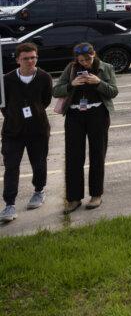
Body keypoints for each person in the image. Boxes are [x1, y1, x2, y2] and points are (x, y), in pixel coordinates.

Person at [53, 42, 119, 214]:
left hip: (98, 114)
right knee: (74, 156)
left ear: (94, 54)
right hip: (74, 116)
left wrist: (98, 82)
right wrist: (71, 84)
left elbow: (113, 91)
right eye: (81, 60)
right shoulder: (71, 68)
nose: (85, 63)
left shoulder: (106, 68)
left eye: (88, 59)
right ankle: (74, 198)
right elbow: (56, 91)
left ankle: (96, 195)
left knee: (97, 154)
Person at [1, 43, 52, 222]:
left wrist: (33, 112)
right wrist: (15, 116)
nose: (30, 61)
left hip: (38, 129)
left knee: (38, 163)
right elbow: (3, 104)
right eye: (25, 58)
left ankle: (39, 191)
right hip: (12, 131)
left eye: (33, 57)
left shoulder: (44, 77)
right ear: (17, 60)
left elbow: (45, 101)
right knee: (11, 166)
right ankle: (9, 205)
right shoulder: (6, 80)